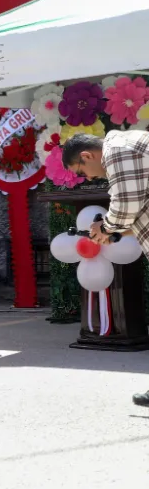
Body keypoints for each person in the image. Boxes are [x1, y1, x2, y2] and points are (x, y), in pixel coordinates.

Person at [61, 131, 149, 407]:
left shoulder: (118, 151)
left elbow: (126, 205)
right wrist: (112, 232)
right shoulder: (124, 149)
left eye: (82, 171)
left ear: (87, 155)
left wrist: (107, 227)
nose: (89, 178)